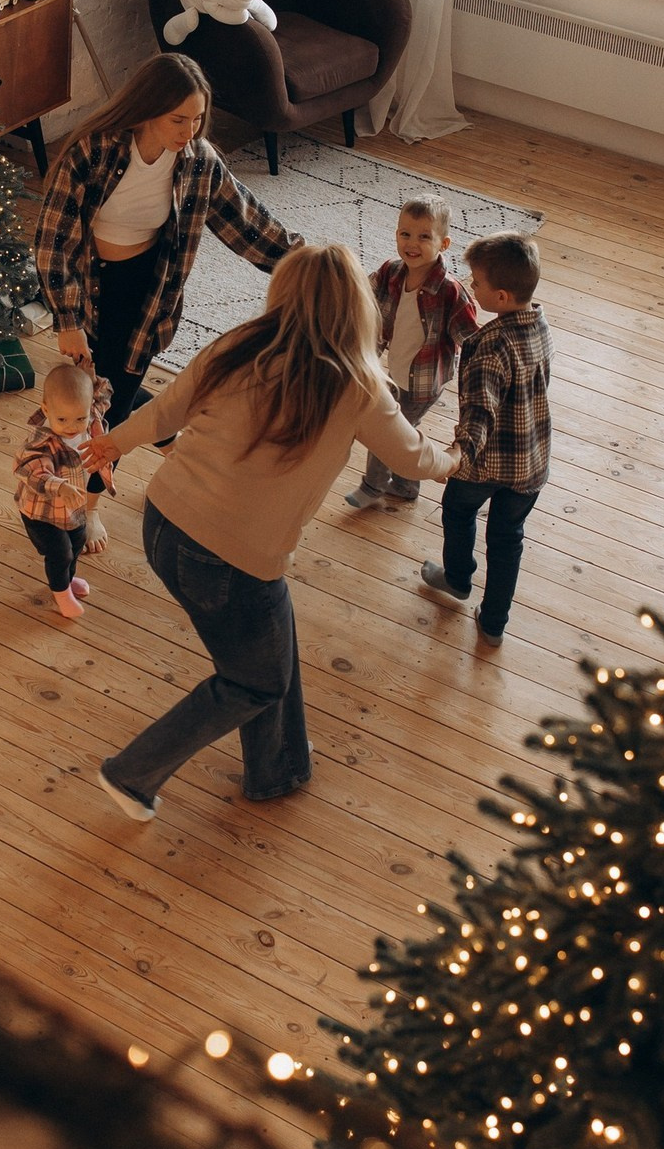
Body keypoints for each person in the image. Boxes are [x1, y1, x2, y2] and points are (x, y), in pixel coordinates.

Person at [80, 244, 460, 820]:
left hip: (163, 520)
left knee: (272, 647)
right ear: (357, 308)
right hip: (229, 558)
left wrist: (113, 443)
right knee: (254, 681)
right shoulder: (358, 386)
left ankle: (279, 766)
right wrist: (454, 459)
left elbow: (165, 412)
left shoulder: (238, 345)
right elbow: (412, 458)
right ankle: (131, 774)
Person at [34, 53, 300, 552]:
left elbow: (248, 223)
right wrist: (66, 320)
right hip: (89, 286)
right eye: (179, 119)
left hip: (147, 291)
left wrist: (308, 265)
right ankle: (163, 437)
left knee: (106, 404)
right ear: (147, 110)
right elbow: (53, 240)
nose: (190, 131)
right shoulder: (94, 151)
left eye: (198, 119)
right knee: (106, 388)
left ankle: (91, 505)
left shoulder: (198, 161)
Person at [420, 233, 552, 655]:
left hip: (485, 463)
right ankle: (494, 623)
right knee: (508, 539)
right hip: (530, 461)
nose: (471, 287)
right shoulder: (539, 323)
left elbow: (480, 413)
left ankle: (458, 579)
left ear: (501, 296)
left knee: (458, 511)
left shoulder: (489, 348)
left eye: (476, 283)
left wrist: (456, 455)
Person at [344, 194, 478, 512]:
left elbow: (473, 341)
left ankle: (373, 486)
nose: (412, 244)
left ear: (444, 244)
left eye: (424, 237)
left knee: (386, 432)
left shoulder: (450, 292)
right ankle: (406, 485)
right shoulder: (391, 272)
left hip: (424, 383)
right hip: (396, 372)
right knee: (401, 432)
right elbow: (363, 298)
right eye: (405, 234)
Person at [13, 360, 113, 620]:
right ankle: (61, 594)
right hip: (42, 513)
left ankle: (67, 581)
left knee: (77, 543)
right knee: (60, 553)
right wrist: (58, 486)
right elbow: (29, 469)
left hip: (72, 508)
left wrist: (92, 378)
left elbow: (104, 395)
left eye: (80, 418)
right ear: (46, 409)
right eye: (62, 419)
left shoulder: (88, 417)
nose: (72, 426)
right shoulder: (42, 441)